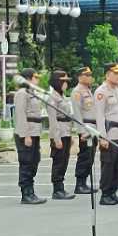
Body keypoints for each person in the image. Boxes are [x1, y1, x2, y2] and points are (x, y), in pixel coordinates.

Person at [94, 63, 118, 206]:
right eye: (115, 73)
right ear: (107, 75)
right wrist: (102, 137)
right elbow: (99, 116)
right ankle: (105, 193)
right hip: (110, 135)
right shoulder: (101, 92)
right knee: (108, 166)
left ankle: (114, 192)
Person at [14, 68, 46, 205]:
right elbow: (21, 116)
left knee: (34, 161)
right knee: (26, 163)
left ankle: (30, 190)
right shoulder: (22, 94)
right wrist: (25, 135)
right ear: (28, 79)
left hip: (34, 132)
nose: (37, 80)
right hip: (26, 134)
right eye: (35, 77)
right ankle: (26, 193)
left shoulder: (31, 92)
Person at [46, 71, 75, 200]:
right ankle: (57, 189)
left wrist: (70, 135)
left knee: (64, 162)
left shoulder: (61, 97)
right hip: (59, 134)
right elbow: (53, 120)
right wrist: (56, 138)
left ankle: (61, 187)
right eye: (63, 81)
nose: (66, 84)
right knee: (58, 162)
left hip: (66, 132)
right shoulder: (52, 98)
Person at [70, 66, 97, 194]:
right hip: (86, 128)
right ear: (80, 77)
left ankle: (85, 182)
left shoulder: (89, 91)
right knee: (84, 156)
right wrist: (81, 131)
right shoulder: (77, 92)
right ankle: (80, 183)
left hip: (93, 128)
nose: (90, 77)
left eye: (90, 75)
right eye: (87, 75)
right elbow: (77, 113)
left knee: (90, 156)